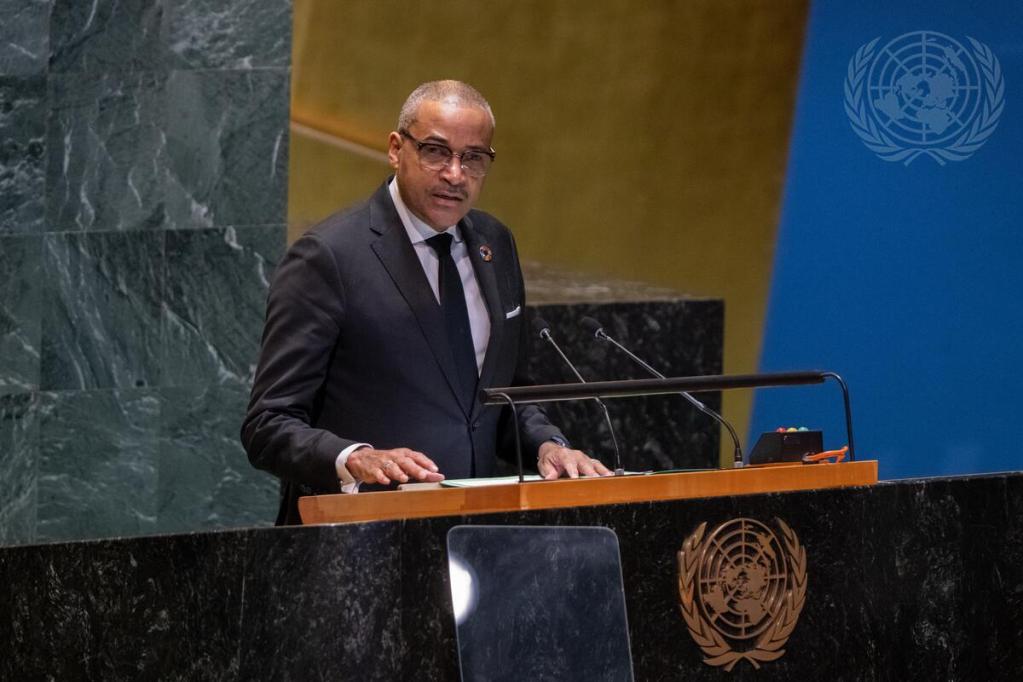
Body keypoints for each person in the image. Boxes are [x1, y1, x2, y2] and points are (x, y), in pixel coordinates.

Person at [242, 80, 609, 524]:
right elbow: (268, 424)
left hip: (476, 537)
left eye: (473, 158)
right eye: (435, 151)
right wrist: (354, 458)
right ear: (396, 149)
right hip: (364, 542)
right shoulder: (329, 256)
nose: (455, 174)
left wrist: (548, 446)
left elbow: (504, 397)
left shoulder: (496, 244)